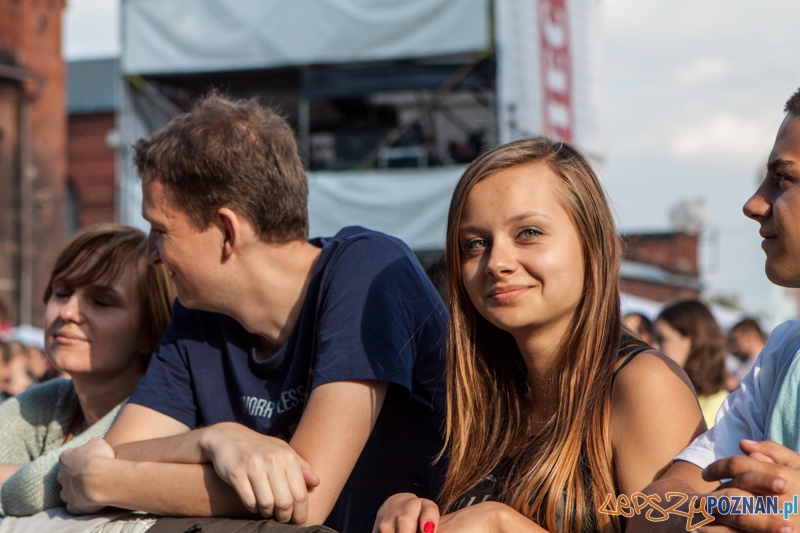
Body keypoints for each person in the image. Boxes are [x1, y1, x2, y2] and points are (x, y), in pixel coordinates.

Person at [57, 94, 447, 533]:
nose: (150, 253)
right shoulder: (198, 313)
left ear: (227, 231)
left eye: (160, 230)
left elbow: (304, 499)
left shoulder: (368, 270)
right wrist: (215, 439)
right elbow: (119, 449)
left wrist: (104, 483)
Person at [373, 138, 705, 533]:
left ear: (592, 243)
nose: (497, 262)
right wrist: (409, 509)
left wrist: (502, 524)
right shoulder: (484, 392)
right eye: (475, 243)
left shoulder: (643, 385)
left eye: (528, 232)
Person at [629, 88, 800, 533]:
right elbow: (651, 511)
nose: (753, 205)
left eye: (782, 180)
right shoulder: (784, 353)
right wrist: (731, 507)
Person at [0, 223, 174, 517]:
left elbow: (31, 487)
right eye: (62, 292)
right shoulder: (50, 402)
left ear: (149, 331)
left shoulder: (158, 413)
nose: (67, 312)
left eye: (101, 301)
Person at [654, 300, 728, 428]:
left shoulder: (720, 410)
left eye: (662, 339)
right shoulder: (669, 394)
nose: (653, 346)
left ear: (693, 342)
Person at [725, 318, 767, 391]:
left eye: (737, 340)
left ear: (752, 337)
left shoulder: (761, 362)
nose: (734, 346)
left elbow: (732, 384)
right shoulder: (753, 360)